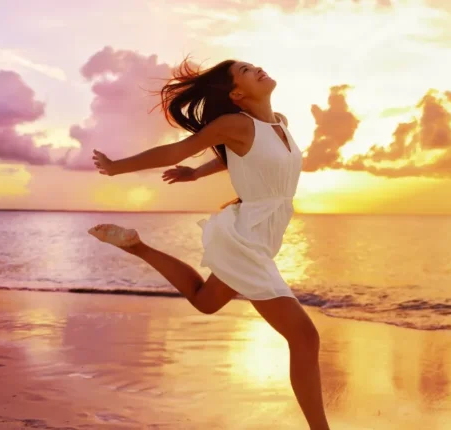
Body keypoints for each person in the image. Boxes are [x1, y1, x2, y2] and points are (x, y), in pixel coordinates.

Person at [87, 58, 330, 430]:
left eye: (254, 65)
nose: (258, 69)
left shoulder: (279, 121)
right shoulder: (234, 123)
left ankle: (137, 247)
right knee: (305, 337)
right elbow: (175, 151)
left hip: (266, 233)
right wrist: (117, 167)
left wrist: (198, 173)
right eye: (247, 71)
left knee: (205, 300)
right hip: (248, 236)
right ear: (236, 93)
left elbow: (246, 156)